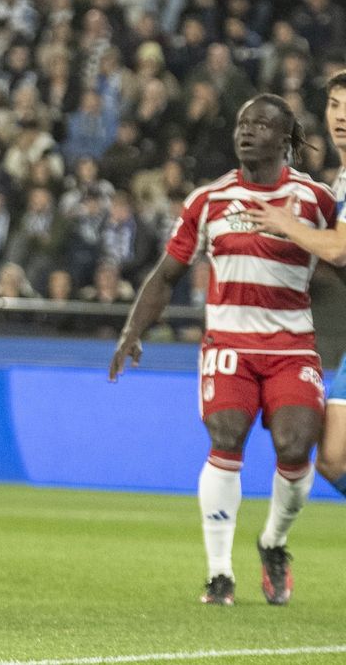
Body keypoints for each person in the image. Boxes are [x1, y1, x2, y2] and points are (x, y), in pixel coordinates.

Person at [109, 94, 334, 607]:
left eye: (260, 124)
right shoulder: (207, 200)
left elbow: (338, 264)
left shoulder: (315, 201)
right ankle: (219, 574)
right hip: (228, 343)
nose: (246, 131)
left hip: (292, 345)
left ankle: (274, 543)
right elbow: (166, 276)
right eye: (241, 122)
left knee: (296, 447)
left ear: (285, 138)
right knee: (226, 436)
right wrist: (132, 331)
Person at [246, 71, 346, 511]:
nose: (340, 117)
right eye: (334, 105)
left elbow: (340, 249)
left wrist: (287, 224)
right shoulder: (341, 178)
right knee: (332, 458)